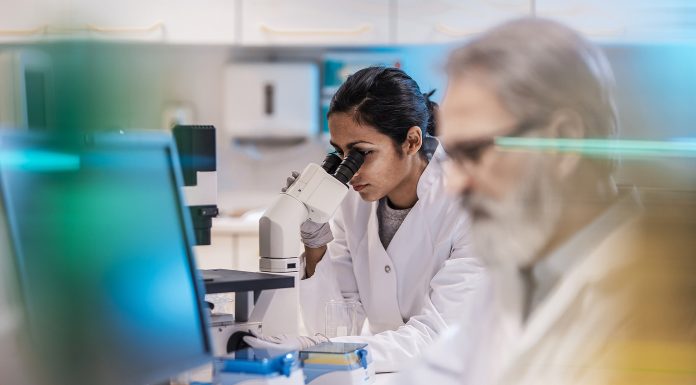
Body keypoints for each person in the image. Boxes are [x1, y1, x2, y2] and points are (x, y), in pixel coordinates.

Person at [394, 18, 696, 385]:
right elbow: (439, 374)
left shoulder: (666, 301)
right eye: (452, 158)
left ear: (563, 141)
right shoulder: (516, 271)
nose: (454, 184)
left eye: (472, 152)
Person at [245, 66, 487, 373]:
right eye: (341, 154)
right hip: (388, 370)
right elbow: (335, 326)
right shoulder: (352, 202)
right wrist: (316, 243)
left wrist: (316, 349)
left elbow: (435, 336)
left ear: (411, 141)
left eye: (362, 153)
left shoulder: (472, 205)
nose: (351, 170)